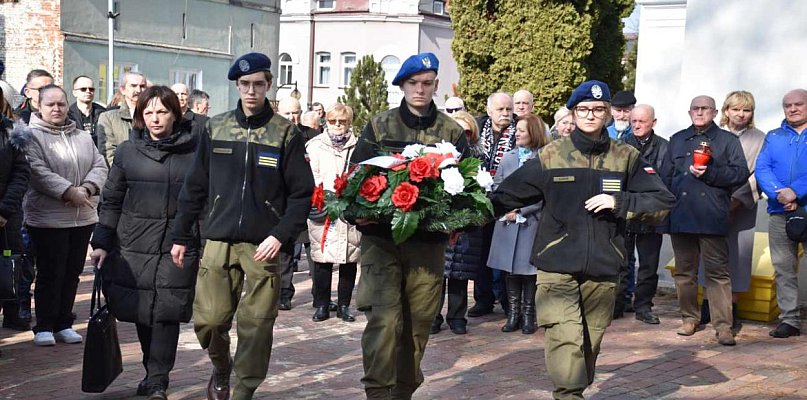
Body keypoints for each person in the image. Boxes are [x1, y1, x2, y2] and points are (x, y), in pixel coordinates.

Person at [489, 80, 674, 399]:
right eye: (584, 109)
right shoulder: (551, 154)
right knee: (565, 338)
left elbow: (661, 201)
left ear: (608, 114)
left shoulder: (626, 156)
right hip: (556, 264)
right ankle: (569, 393)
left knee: (589, 343)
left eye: (598, 110)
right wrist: (457, 218)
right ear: (573, 114)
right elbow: (505, 196)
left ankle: (574, 385)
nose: (591, 115)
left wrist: (620, 203)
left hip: (604, 265)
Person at [171, 52, 313, 400]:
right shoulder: (215, 127)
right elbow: (195, 186)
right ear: (237, 85)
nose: (251, 91)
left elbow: (302, 194)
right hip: (218, 238)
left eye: (259, 84)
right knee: (209, 320)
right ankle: (221, 365)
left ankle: (242, 391)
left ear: (268, 86)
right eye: (245, 84)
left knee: (257, 326)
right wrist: (180, 234)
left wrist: (280, 235)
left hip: (264, 243)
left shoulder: (285, 133)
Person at [351, 52, 469, 399]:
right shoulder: (380, 125)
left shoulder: (451, 131)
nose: (420, 89)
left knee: (418, 326)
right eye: (413, 83)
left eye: (427, 83)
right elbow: (355, 179)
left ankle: (403, 391)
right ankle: (378, 392)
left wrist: (459, 220)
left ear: (435, 86)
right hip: (381, 240)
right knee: (384, 323)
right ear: (402, 85)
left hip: (427, 244)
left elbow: (467, 185)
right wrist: (355, 213)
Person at [89, 86, 201, 400]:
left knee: (166, 311)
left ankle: (157, 380)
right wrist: (101, 242)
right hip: (133, 242)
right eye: (148, 112)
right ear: (140, 115)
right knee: (141, 311)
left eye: (162, 111)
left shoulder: (195, 151)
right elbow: (111, 201)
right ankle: (151, 372)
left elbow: (203, 201)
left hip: (177, 243)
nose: (155, 118)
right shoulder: (127, 151)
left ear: (175, 113)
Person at [23, 84, 108, 346]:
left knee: (72, 272)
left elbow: (99, 164)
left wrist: (87, 189)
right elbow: (36, 171)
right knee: (50, 272)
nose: (57, 108)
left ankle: (64, 322)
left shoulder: (81, 136)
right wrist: (69, 191)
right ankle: (44, 325)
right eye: (51, 104)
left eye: (61, 103)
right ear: (39, 105)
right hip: (48, 217)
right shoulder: (30, 136)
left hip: (82, 216)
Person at [661, 95, 749, 346]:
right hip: (682, 214)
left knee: (718, 274)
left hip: (712, 214)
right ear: (689, 112)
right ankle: (689, 318)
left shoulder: (727, 141)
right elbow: (665, 178)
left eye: (705, 109)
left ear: (714, 112)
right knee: (684, 273)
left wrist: (710, 173)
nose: (700, 113)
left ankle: (723, 326)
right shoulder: (677, 140)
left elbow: (740, 173)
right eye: (695, 109)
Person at [698, 91, 766, 332]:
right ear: (726, 110)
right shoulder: (711, 134)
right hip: (713, 203)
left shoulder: (760, 138)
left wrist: (737, 200)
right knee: (710, 254)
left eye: (746, 110)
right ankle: (707, 306)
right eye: (736, 109)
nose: (741, 114)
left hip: (743, 206)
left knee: (738, 256)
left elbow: (760, 172)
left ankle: (731, 309)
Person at [488, 113, 547, 334]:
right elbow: (497, 185)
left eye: (522, 130)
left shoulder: (544, 158)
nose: (517, 133)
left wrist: (521, 210)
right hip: (506, 223)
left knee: (528, 271)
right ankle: (513, 314)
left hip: (531, 223)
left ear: (533, 131)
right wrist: (506, 209)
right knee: (510, 271)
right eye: (517, 130)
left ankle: (529, 315)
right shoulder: (508, 157)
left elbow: (544, 194)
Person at [756, 88, 807, 339]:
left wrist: (795, 192)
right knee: (784, 267)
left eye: (799, 104)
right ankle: (790, 320)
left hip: (805, 208)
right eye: (788, 105)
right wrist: (779, 193)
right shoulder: (773, 136)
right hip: (779, 211)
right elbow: (762, 168)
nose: (793, 109)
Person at [306, 103, 360, 323]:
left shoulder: (358, 146)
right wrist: (324, 196)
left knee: (349, 258)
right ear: (326, 122)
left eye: (342, 121)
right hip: (323, 208)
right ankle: (321, 304)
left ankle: (344, 305)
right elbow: (311, 175)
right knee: (322, 260)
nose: (337, 126)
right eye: (333, 121)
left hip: (348, 210)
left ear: (349, 123)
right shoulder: (315, 145)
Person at [433, 110, 485, 335]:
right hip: (441, 219)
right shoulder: (438, 156)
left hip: (465, 221)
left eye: (466, 131)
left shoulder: (478, 157)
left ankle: (457, 316)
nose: (462, 136)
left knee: (460, 272)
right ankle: (433, 316)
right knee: (437, 273)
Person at [616, 104, 669, 324]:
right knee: (620, 261)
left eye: (642, 122)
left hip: (651, 214)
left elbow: (666, 181)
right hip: (625, 212)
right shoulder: (621, 146)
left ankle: (644, 306)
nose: (636, 125)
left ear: (653, 123)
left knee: (648, 264)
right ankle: (617, 304)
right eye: (634, 121)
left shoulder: (665, 148)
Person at [469, 92, 516, 318]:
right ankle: (483, 299)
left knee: (506, 253)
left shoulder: (519, 132)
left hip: (508, 200)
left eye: (508, 109)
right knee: (481, 252)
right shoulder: (477, 131)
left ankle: (508, 300)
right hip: (481, 200)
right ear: (489, 111)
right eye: (500, 109)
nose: (505, 113)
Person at [275, 96, 318, 310]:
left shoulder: (312, 136)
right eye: (287, 113)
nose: (292, 117)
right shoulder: (272, 134)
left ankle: (319, 293)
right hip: (281, 200)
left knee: (313, 246)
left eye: (296, 112)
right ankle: (284, 292)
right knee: (285, 249)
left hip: (308, 198)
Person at [0, 99, 31, 332]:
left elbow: (21, 174)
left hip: (6, 217)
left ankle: (11, 313)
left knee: (9, 267)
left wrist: (4, 210)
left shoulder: (13, 133)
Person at [97, 71, 147, 164]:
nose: (139, 90)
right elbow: (108, 153)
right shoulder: (108, 118)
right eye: (133, 86)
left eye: (142, 86)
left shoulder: (152, 116)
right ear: (123, 90)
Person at [68, 75, 107, 148]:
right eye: (83, 89)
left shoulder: (103, 113)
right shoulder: (68, 115)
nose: (88, 91)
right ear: (74, 93)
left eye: (91, 89)